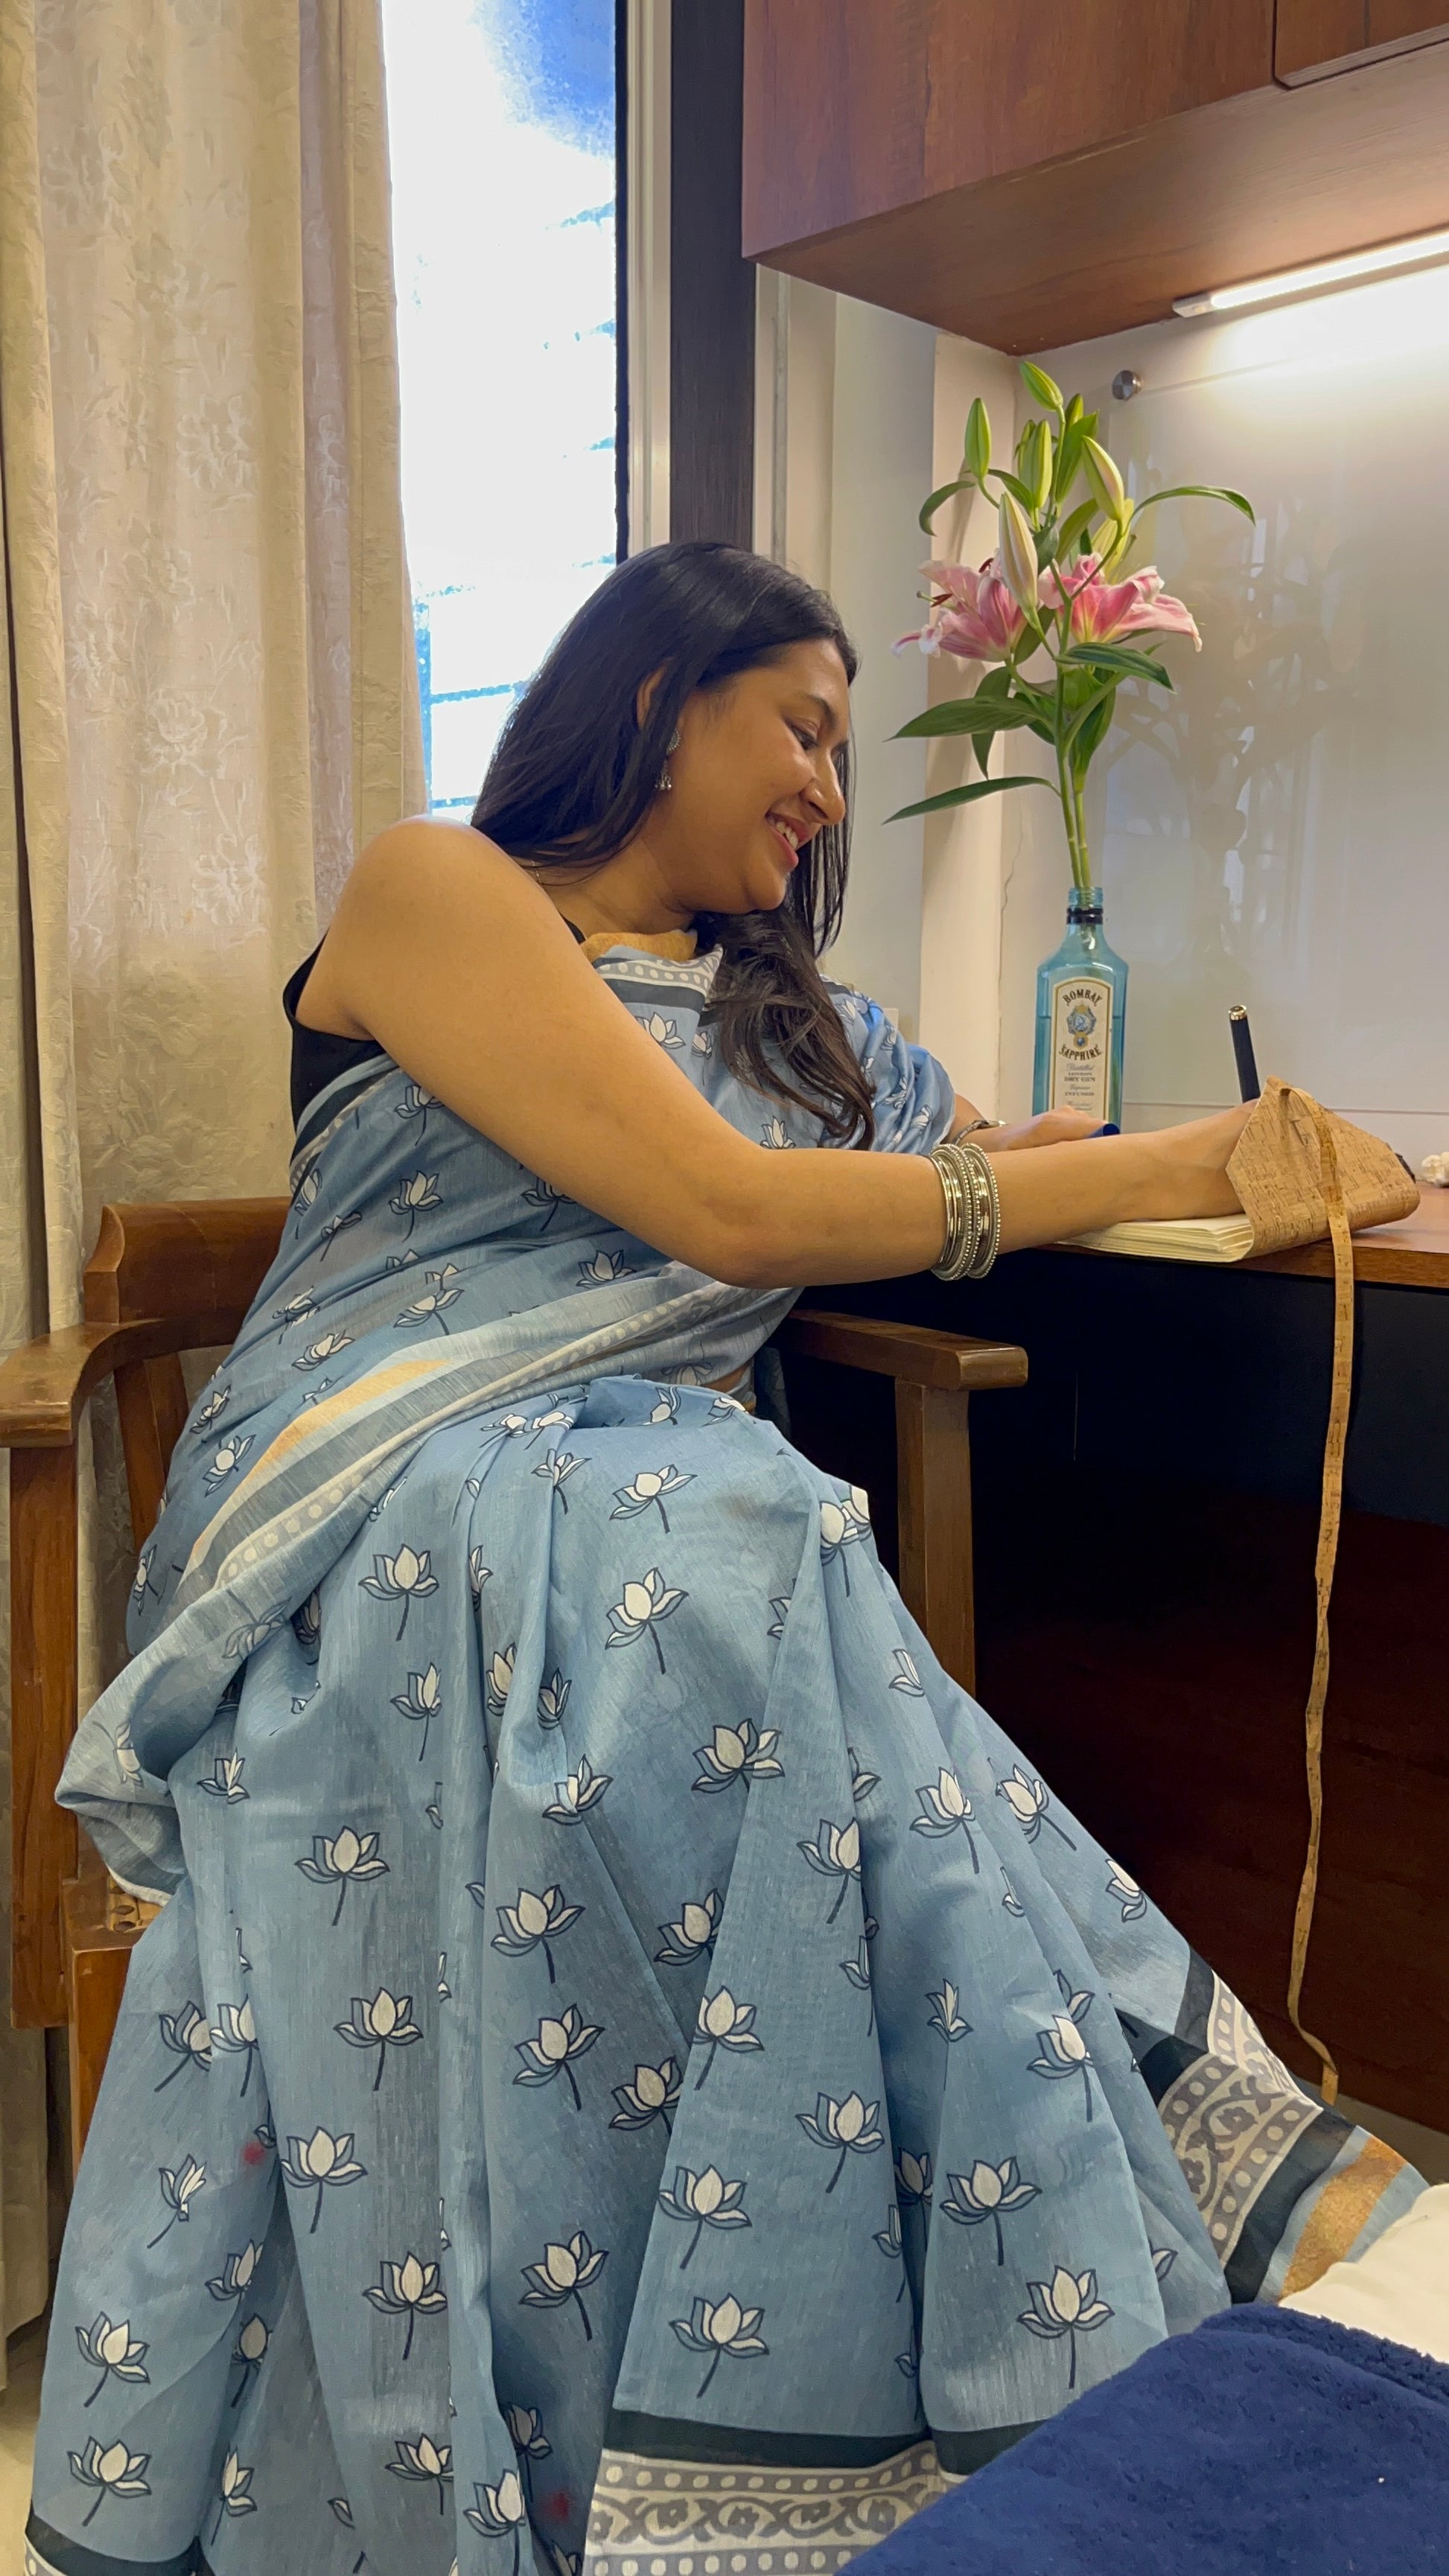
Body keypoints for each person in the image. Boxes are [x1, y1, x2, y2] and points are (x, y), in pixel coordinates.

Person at [28, 544, 1421, 2576]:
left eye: (846, 747)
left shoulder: (807, 1028)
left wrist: (1292, 1148)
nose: (827, 789)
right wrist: (1194, 1157)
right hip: (379, 1492)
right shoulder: (437, 892)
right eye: (800, 724)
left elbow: (986, 1164)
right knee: (747, 1529)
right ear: (655, 701)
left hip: (650, 1517)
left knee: (739, 1529)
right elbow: (730, 1210)